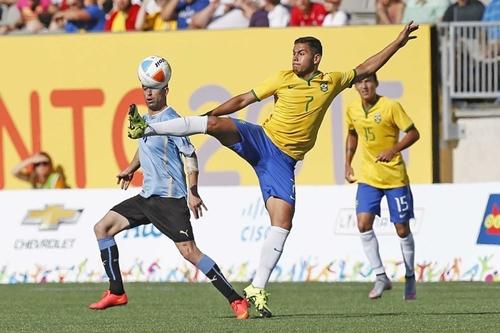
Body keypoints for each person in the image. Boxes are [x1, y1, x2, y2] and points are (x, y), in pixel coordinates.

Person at [127, 22, 419, 317]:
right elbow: (244, 99)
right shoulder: (282, 78)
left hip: (283, 162)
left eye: (301, 53)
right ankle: (149, 127)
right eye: (293, 52)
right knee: (213, 123)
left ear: (316, 58)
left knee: (282, 223)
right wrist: (210, 115)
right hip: (261, 140)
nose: (295, 58)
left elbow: (366, 66)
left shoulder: (331, 81)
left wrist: (397, 42)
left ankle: (257, 287)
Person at [89, 56, 249, 320]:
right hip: (145, 197)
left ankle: (235, 299)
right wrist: (131, 168)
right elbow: (144, 147)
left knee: (190, 253)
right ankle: (116, 291)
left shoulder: (173, 119)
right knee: (102, 228)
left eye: (153, 89)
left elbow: (190, 155)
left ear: (165, 90)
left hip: (169, 200)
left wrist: (194, 192)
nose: (148, 93)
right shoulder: (144, 120)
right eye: (145, 89)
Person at [344, 73, 420, 300]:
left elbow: (414, 133)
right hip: (368, 177)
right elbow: (352, 134)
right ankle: (381, 276)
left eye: (369, 81)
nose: (364, 85)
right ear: (355, 86)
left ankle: (409, 275)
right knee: (362, 223)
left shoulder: (390, 106)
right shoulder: (352, 109)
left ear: (376, 84)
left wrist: (393, 149)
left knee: (401, 229)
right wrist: (347, 163)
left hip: (395, 177)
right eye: (360, 82)